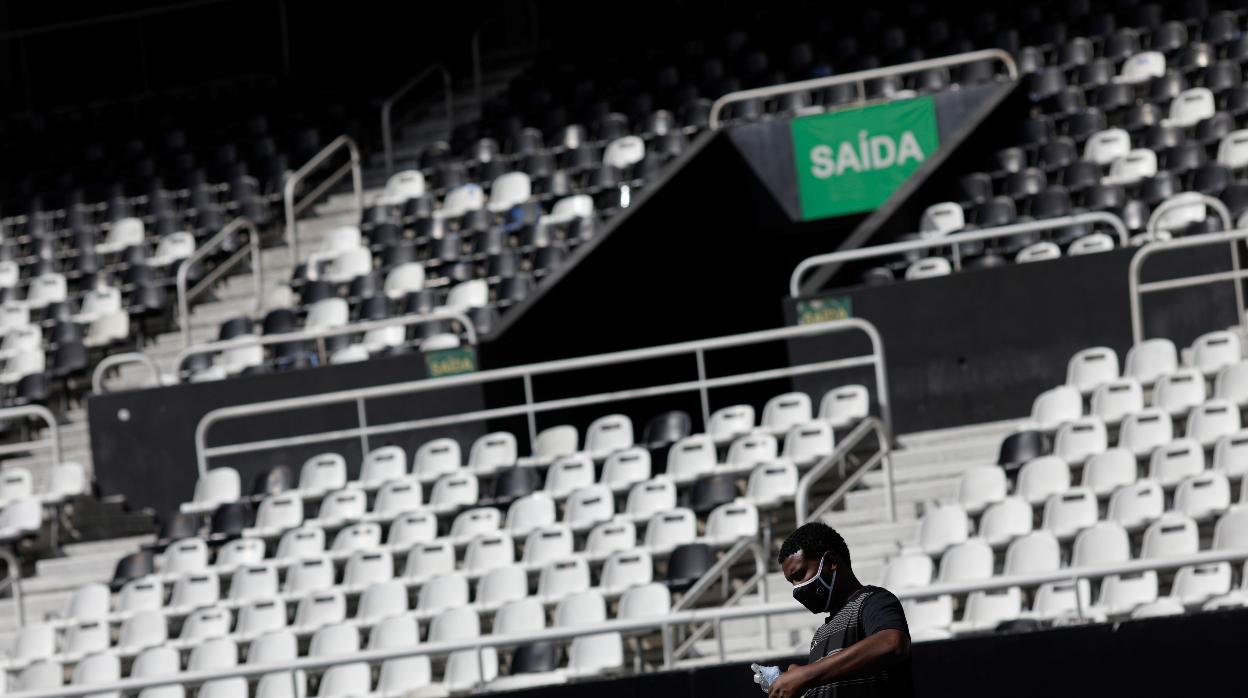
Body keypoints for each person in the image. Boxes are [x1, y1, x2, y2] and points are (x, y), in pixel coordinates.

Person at [765, 522, 913, 698]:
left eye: (800, 575)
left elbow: (892, 643)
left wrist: (806, 675)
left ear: (831, 562)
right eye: (792, 582)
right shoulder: (819, 636)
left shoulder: (872, 600)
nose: (797, 589)